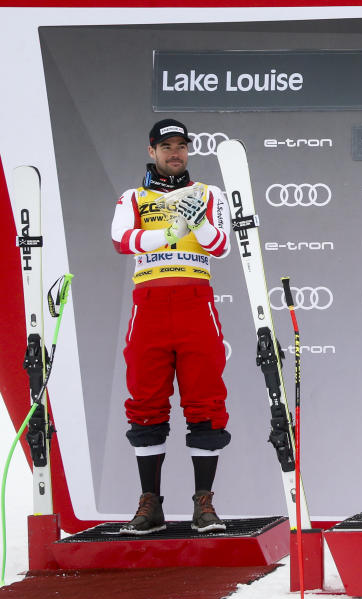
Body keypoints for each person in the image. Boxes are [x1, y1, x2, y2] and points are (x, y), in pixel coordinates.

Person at [111, 118, 231, 535]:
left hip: (197, 301)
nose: (175, 152)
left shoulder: (209, 194)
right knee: (145, 402)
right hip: (149, 304)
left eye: (181, 145)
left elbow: (221, 245)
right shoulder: (133, 196)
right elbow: (121, 239)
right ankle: (150, 503)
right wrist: (170, 231)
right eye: (166, 146)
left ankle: (204, 503)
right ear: (152, 151)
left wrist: (198, 224)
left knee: (206, 401)